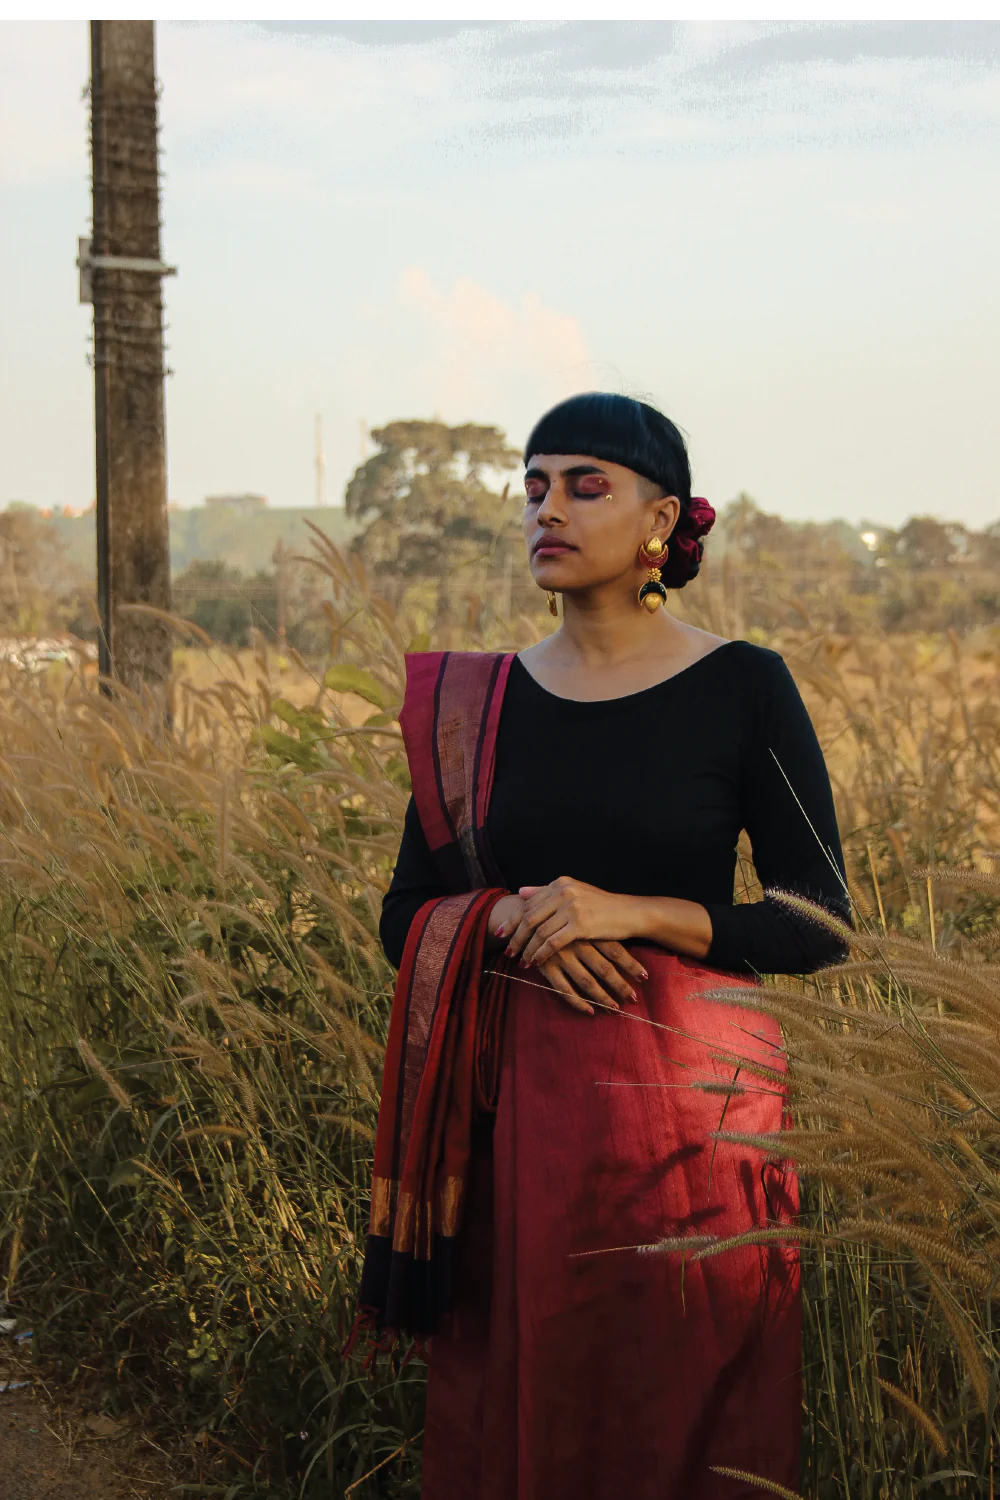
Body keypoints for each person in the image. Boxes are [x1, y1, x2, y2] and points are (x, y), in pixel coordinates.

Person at [356, 393, 848, 1499]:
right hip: (517, 1120)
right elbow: (406, 915)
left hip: (697, 1121)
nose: (550, 508)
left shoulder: (742, 686)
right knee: (534, 1397)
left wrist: (629, 910)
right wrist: (519, 927)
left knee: (687, 1397)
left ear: (661, 519)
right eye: (534, 486)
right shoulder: (475, 706)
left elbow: (818, 917)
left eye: (586, 486)